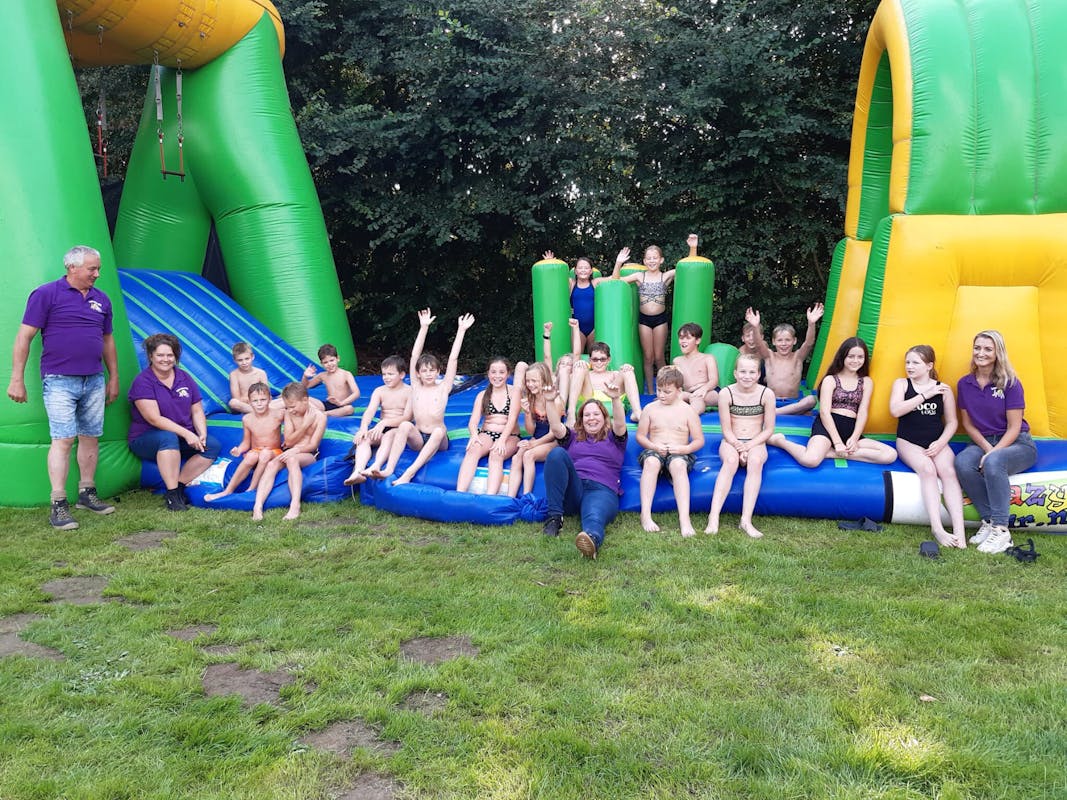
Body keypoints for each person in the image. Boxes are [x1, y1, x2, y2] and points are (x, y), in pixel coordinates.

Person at [8, 245, 119, 529]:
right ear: (72, 267)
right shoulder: (46, 294)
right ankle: (58, 504)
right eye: (92, 268)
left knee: (90, 437)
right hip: (59, 380)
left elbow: (107, 340)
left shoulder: (101, 299)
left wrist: (113, 377)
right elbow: (24, 337)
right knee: (63, 439)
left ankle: (87, 493)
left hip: (94, 379)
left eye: (98, 268)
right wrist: (17, 379)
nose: (97, 274)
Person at [954, 330, 1038, 554]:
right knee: (962, 462)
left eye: (988, 349)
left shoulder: (1011, 383)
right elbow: (968, 424)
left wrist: (992, 453)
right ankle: (989, 520)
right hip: (983, 441)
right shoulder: (964, 384)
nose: (981, 353)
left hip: (1017, 443)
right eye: (977, 348)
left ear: (998, 353)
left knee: (994, 462)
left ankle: (1001, 530)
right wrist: (986, 448)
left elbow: (1014, 427)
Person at [128, 333, 222, 511]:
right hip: (146, 438)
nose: (165, 359)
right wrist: (187, 434)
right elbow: (154, 418)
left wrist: (201, 433)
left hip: (180, 437)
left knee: (212, 445)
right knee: (168, 437)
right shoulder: (143, 382)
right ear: (151, 356)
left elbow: (197, 410)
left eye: (170, 355)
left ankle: (178, 488)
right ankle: (172, 494)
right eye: (160, 355)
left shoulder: (184, 377)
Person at [768, 337, 896, 466]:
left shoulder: (866, 382)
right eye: (851, 356)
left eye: (860, 357)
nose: (855, 361)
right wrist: (838, 442)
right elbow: (824, 412)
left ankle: (829, 453)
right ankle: (780, 441)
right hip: (827, 426)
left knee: (890, 454)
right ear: (843, 356)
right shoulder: (830, 380)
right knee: (810, 460)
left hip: (850, 428)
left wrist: (855, 438)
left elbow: (862, 412)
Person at [540, 381, 628, 560]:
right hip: (575, 489)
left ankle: (591, 540)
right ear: (581, 419)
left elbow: (619, 424)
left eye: (596, 414)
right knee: (556, 453)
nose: (591, 418)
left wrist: (615, 399)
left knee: (594, 515)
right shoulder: (573, 437)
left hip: (601, 489)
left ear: (604, 417)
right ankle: (554, 519)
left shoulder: (615, 439)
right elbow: (556, 428)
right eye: (587, 415)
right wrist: (549, 401)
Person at [889, 346, 966, 548]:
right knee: (928, 469)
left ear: (929, 366)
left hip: (936, 442)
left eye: (915, 363)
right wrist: (925, 395)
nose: (910, 366)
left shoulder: (943, 389)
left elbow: (952, 422)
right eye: (907, 362)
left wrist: (941, 443)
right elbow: (895, 410)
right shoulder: (902, 384)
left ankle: (959, 531)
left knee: (949, 472)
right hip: (909, 442)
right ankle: (937, 528)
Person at [387, 310, 475, 485]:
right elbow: (414, 356)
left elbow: (453, 359)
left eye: (432, 370)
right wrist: (424, 328)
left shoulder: (443, 387)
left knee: (438, 432)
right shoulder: (416, 386)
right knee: (404, 425)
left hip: (439, 439)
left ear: (438, 372)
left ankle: (409, 473)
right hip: (419, 437)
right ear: (418, 374)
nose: (428, 374)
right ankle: (389, 468)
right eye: (424, 371)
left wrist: (461, 331)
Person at [612, 235, 695, 393]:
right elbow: (616, 280)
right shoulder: (639, 276)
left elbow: (688, 266)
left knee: (659, 356)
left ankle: (664, 389)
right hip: (644, 320)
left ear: (661, 260)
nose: (651, 261)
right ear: (644, 261)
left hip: (660, 320)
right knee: (648, 357)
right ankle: (650, 391)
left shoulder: (666, 276)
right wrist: (618, 262)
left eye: (655, 258)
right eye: (648, 258)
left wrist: (692, 248)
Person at [706, 354, 776, 539]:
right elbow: (726, 429)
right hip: (732, 440)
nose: (747, 376)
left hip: (756, 441)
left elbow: (769, 429)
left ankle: (746, 520)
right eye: (743, 371)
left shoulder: (766, 394)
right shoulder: (726, 393)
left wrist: (749, 446)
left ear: (759, 374)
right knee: (730, 461)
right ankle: (713, 517)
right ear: (735, 373)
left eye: (752, 372)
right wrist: (738, 446)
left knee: (755, 461)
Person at [635, 366, 706, 537]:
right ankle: (645, 515)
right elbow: (640, 436)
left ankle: (684, 519)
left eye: (667, 392)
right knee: (651, 462)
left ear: (679, 391)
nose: (661, 395)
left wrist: (685, 448)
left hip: (680, 451)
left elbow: (699, 440)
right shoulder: (650, 409)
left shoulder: (688, 411)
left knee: (678, 465)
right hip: (655, 450)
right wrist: (653, 446)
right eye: (659, 390)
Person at [252, 382, 326, 521]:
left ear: (305, 400)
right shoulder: (289, 414)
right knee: (271, 465)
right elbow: (289, 441)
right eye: (287, 407)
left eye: (292, 406)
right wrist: (305, 425)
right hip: (290, 450)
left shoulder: (319, 417)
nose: (290, 410)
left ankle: (295, 505)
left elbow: (313, 445)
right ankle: (257, 506)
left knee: (292, 460)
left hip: (309, 454)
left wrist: (296, 450)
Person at [205, 382, 285, 502]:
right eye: (255, 401)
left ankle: (251, 489)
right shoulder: (247, 419)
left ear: (270, 399)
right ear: (249, 402)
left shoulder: (278, 414)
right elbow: (246, 442)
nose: (259, 403)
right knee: (251, 456)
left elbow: (295, 420)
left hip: (274, 452)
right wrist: (239, 450)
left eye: (263, 400)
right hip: (256, 451)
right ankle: (227, 491)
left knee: (265, 453)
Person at [456, 358, 525, 495]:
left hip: (510, 435)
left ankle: (490, 496)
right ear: (488, 374)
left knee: (496, 454)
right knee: (472, 450)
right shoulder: (482, 395)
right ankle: (460, 493)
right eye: (493, 372)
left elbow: (512, 420)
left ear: (508, 374)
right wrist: (474, 435)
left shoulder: (514, 392)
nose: (497, 376)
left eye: (501, 372)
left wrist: (502, 440)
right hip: (487, 433)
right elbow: (473, 422)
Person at [343, 356, 412, 485]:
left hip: (399, 429)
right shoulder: (379, 391)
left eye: (390, 374)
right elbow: (370, 411)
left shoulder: (409, 392)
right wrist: (363, 428)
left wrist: (384, 423)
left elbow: (407, 417)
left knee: (388, 436)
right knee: (363, 439)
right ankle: (358, 471)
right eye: (384, 374)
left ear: (402, 375)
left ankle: (376, 465)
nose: (386, 377)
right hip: (381, 427)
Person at [744, 304, 824, 414]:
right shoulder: (769, 356)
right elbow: (758, 344)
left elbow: (809, 343)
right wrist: (755, 326)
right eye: (780, 340)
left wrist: (811, 323)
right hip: (771, 401)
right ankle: (787, 411)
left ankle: (776, 412)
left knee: (811, 400)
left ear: (794, 341)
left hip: (793, 402)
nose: (784, 344)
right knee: (752, 397)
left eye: (787, 340)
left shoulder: (798, 357)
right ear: (773, 342)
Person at [508, 361, 564, 497]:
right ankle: (510, 497)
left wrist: (533, 444)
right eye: (528, 381)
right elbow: (531, 431)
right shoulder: (531, 399)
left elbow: (554, 433)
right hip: (537, 437)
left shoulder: (555, 401)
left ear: (544, 380)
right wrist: (527, 413)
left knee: (528, 455)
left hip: (554, 441)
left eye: (534, 381)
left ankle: (527, 496)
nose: (530, 384)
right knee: (516, 458)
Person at [545, 250, 610, 354]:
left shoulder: (595, 283)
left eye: (586, 268)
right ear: (575, 271)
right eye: (580, 268)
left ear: (591, 271)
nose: (583, 270)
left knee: (595, 356)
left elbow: (615, 279)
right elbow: (556, 277)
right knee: (576, 356)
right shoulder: (571, 284)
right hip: (577, 328)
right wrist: (550, 263)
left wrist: (618, 263)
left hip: (594, 327)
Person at [568, 341, 643, 424]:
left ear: (608, 360)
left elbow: (626, 382)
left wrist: (627, 367)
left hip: (611, 395)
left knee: (627, 371)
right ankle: (571, 413)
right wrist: (578, 365)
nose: (599, 363)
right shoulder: (585, 374)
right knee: (580, 368)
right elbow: (571, 381)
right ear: (590, 360)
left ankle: (637, 412)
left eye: (603, 359)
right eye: (595, 359)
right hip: (589, 396)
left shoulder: (614, 374)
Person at [672, 322, 719, 413]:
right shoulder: (677, 361)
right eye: (681, 338)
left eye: (688, 338)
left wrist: (703, 389)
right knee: (676, 396)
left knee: (696, 398)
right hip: (688, 393)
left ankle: (689, 415)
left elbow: (714, 380)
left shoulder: (707, 358)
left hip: (708, 392)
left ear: (697, 341)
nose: (683, 341)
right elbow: (676, 383)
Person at [302, 344, 359, 417]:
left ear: (337, 358)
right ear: (321, 364)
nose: (329, 364)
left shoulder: (346, 374)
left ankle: (324, 413)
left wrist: (341, 403)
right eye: (325, 362)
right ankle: (321, 412)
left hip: (343, 405)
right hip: (328, 404)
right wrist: (305, 376)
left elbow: (356, 393)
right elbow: (306, 386)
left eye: (332, 360)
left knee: (350, 409)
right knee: (304, 399)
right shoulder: (323, 375)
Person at [226, 342, 269, 414]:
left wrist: (258, 400)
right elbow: (236, 397)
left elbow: (267, 394)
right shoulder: (234, 375)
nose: (244, 362)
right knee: (233, 402)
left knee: (282, 400)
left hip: (260, 402)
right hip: (245, 405)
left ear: (252, 357)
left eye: (247, 359)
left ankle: (260, 411)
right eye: (240, 360)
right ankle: (261, 411)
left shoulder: (261, 373)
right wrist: (250, 400)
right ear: (235, 360)